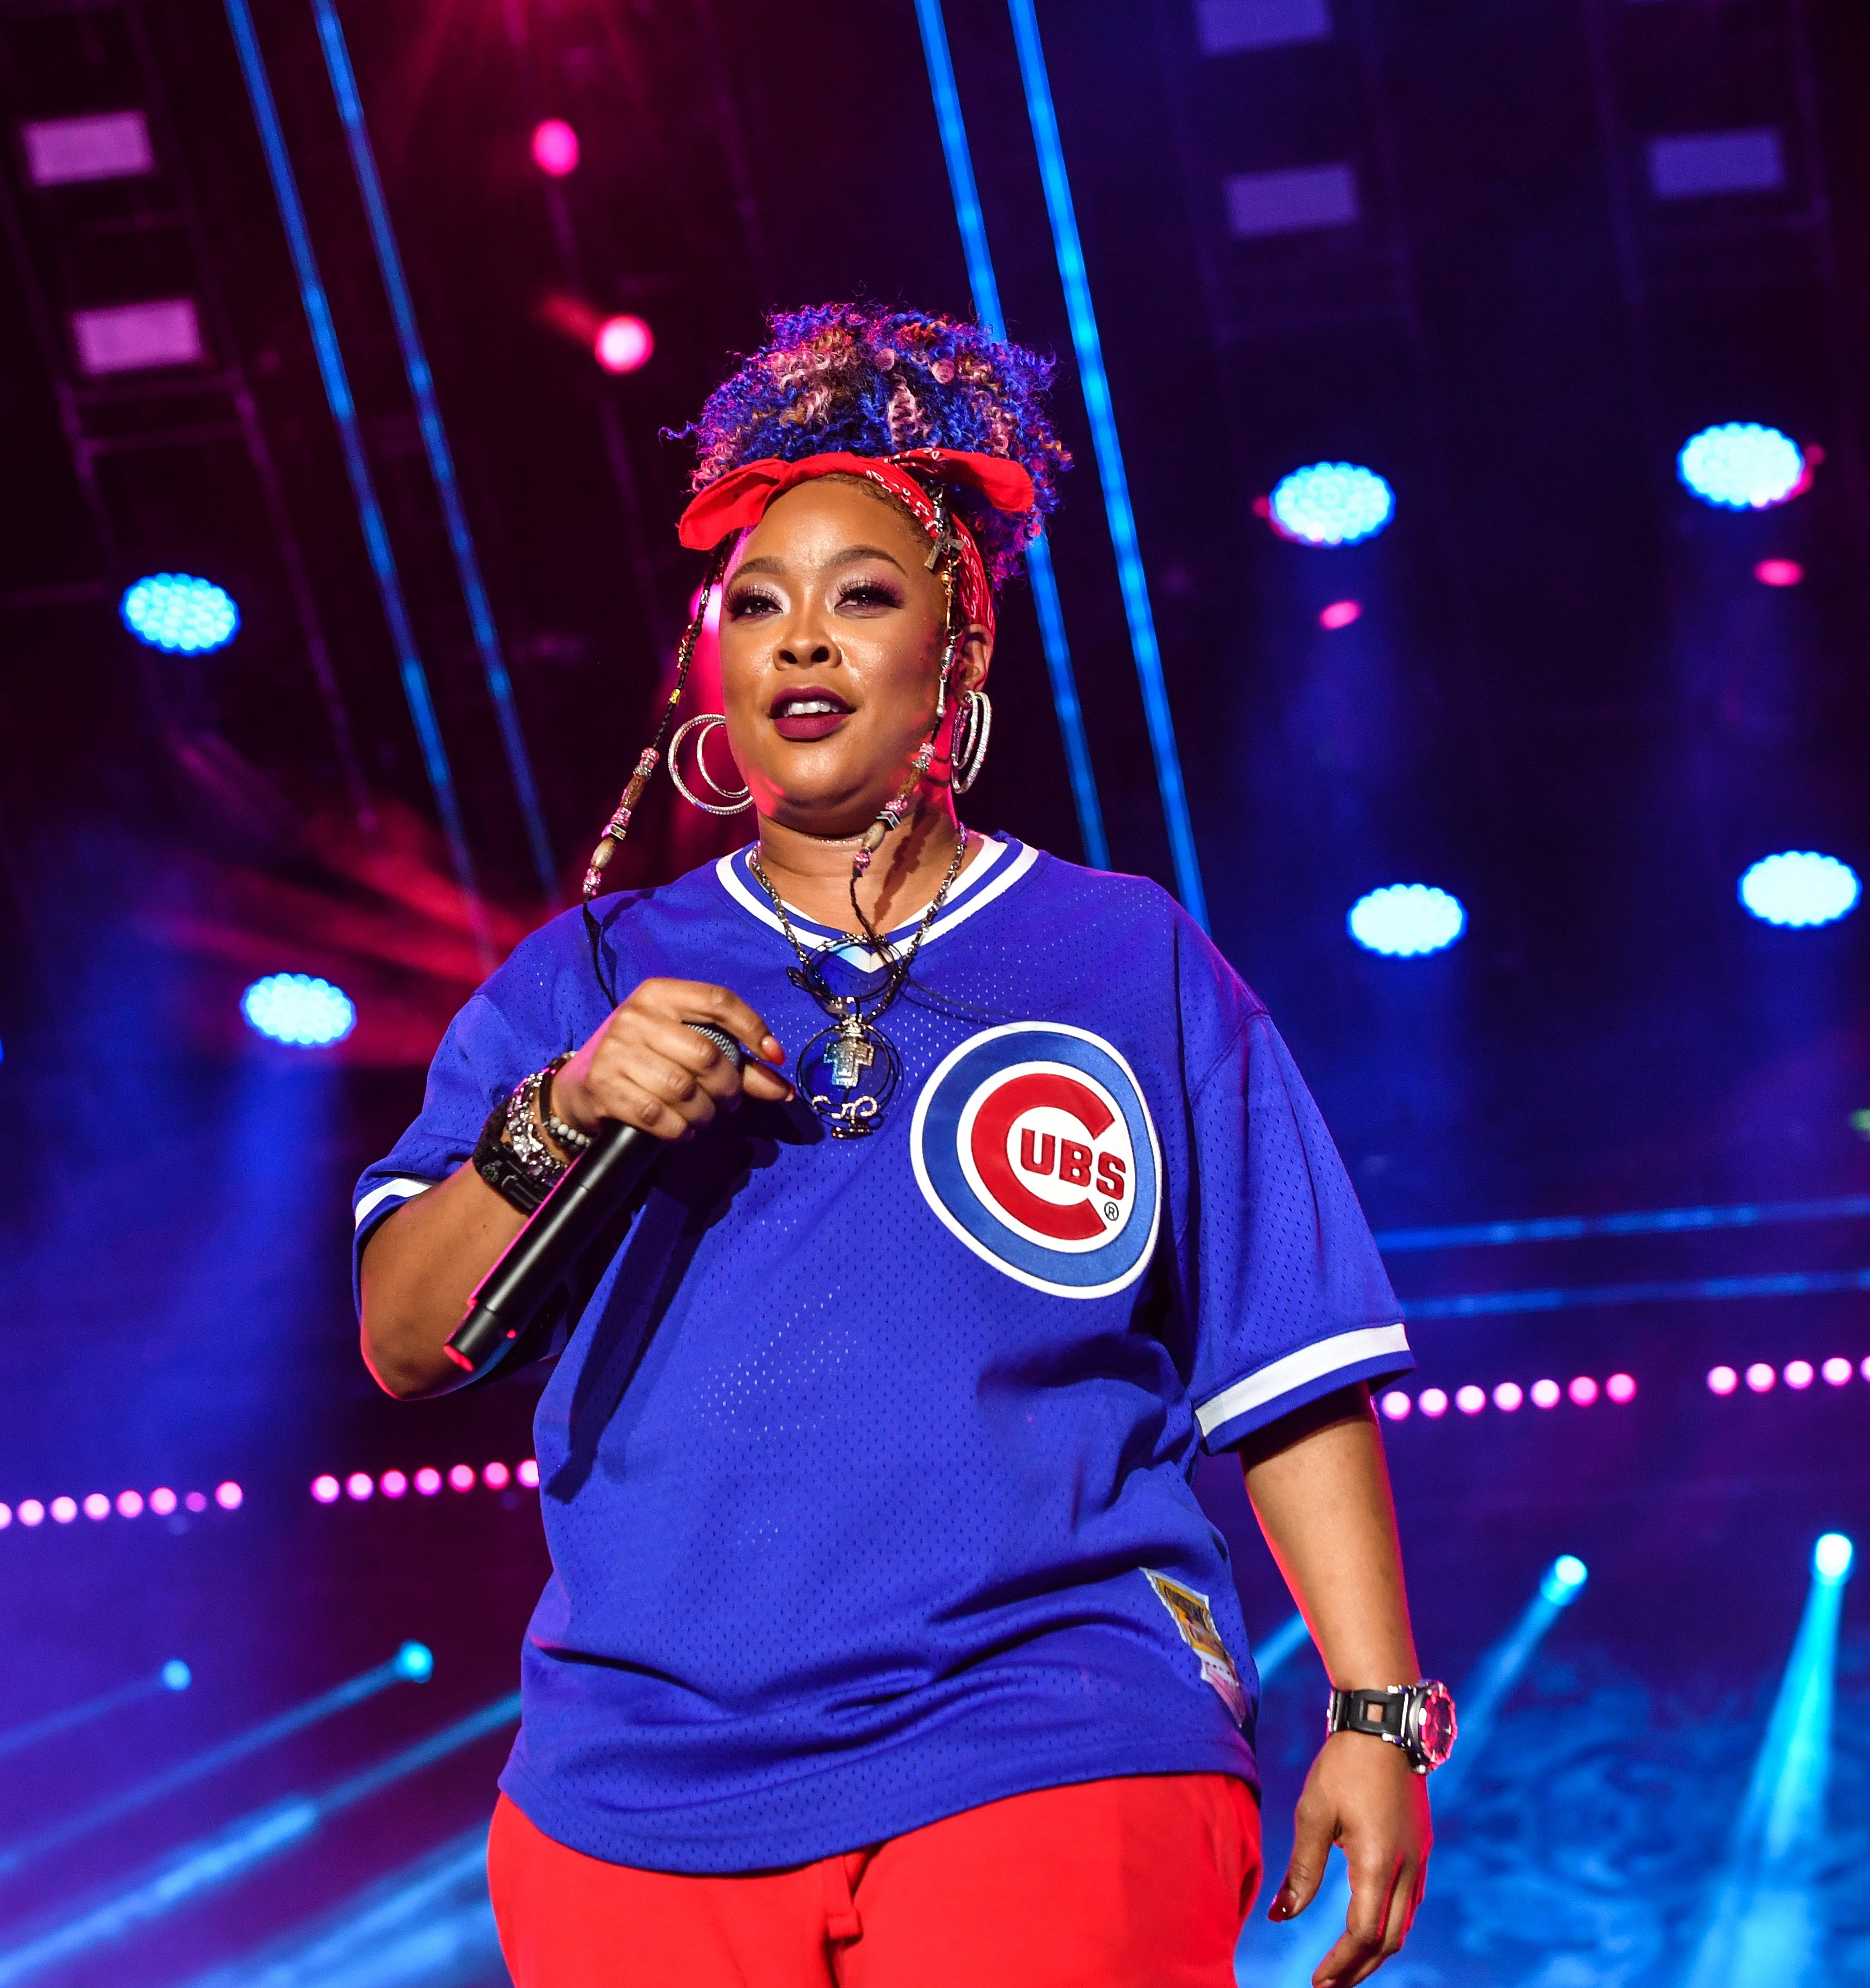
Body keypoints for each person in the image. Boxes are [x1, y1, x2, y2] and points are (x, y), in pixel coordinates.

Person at [353, 304, 1444, 1988]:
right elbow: (404, 1338)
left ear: (964, 646)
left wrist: (1376, 1713)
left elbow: (1288, 1360)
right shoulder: (580, 978)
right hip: (636, 1791)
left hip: (1052, 1724)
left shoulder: (1123, 957)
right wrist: (560, 1115)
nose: (801, 642)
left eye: (863, 597)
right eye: (758, 603)